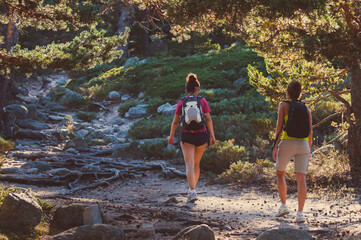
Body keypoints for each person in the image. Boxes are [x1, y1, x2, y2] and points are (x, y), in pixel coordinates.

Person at [168, 73, 216, 202]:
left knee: (189, 164)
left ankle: (192, 191)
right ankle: (193, 189)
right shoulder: (202, 100)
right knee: (196, 164)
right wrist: (212, 135)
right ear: (196, 89)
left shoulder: (181, 102)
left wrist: (171, 135)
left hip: (187, 135)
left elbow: (175, 121)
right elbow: (208, 119)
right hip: (201, 135)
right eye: (198, 89)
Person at [272, 80, 312, 223]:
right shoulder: (306, 108)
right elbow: (310, 132)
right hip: (303, 144)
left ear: (287, 92)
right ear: (300, 93)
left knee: (280, 173)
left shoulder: (283, 105)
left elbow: (279, 127)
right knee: (301, 179)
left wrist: (275, 146)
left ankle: (283, 206)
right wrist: (308, 149)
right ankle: (300, 213)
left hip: (287, 142)